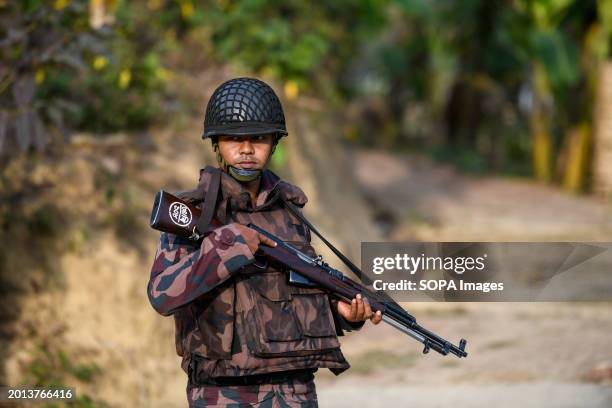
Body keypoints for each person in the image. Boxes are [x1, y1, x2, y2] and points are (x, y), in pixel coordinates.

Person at [147, 77, 382, 408]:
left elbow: (297, 293)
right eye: (234, 139)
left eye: (258, 138)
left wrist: (341, 313)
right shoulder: (195, 213)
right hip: (222, 393)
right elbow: (162, 295)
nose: (246, 149)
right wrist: (227, 245)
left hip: (294, 389)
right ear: (216, 144)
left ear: (274, 142)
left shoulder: (290, 212)